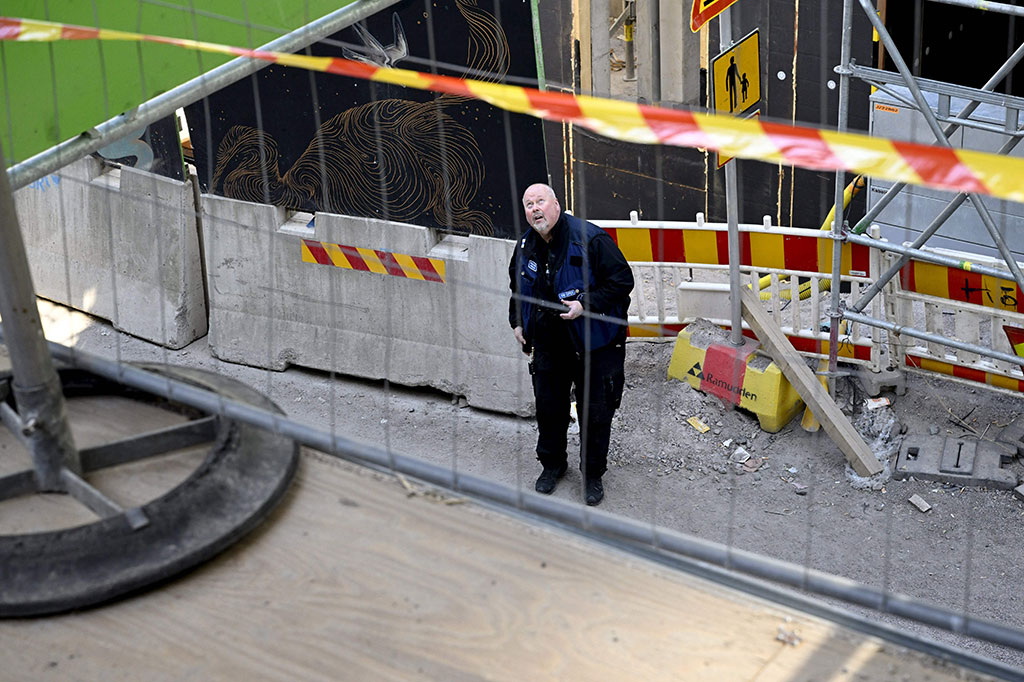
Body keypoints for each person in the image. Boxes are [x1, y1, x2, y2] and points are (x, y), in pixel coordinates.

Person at [508, 183, 634, 506]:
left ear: (557, 205)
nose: (534, 209)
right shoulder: (525, 245)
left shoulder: (591, 239)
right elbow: (517, 286)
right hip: (551, 341)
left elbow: (622, 281)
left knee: (595, 411)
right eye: (528, 204)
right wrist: (518, 322)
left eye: (540, 202)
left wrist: (585, 305)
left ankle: (592, 475)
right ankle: (553, 465)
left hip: (595, 343)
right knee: (549, 408)